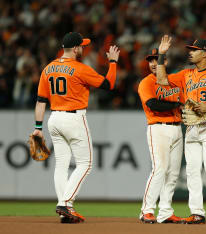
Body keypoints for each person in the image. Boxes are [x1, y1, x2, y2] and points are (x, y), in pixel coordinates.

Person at [30, 32, 120, 223]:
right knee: (85, 164)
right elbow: (109, 84)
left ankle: (66, 208)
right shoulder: (80, 68)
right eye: (82, 46)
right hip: (73, 119)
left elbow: (40, 101)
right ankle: (65, 203)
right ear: (76, 48)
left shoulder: (48, 68)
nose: (83, 49)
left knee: (61, 164)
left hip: (53, 119)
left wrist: (38, 128)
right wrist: (113, 62)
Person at [156, 35, 206, 224]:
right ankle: (197, 213)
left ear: (205, 53)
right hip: (192, 127)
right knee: (193, 171)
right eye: (190, 50)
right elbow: (161, 80)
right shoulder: (186, 74)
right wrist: (161, 54)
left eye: (194, 50)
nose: (190, 53)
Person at [138, 48, 184, 224]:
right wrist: (177, 105)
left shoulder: (174, 81)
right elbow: (153, 104)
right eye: (150, 60)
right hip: (158, 127)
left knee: (172, 174)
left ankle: (165, 211)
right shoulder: (146, 82)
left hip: (177, 128)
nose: (153, 64)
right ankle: (146, 210)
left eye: (157, 60)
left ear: (165, 62)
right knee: (159, 169)